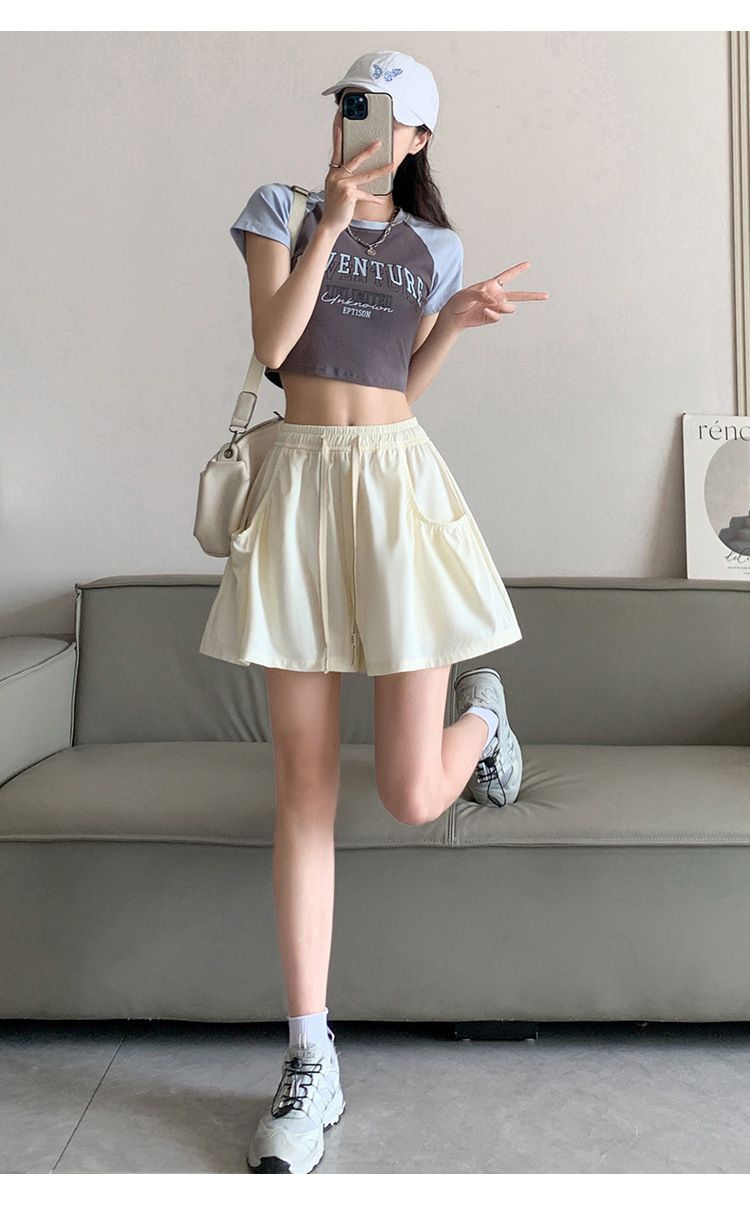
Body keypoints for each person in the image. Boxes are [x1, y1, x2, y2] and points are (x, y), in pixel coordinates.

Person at [199, 49, 549, 1174]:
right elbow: (274, 345)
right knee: (302, 788)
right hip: (299, 491)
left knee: (406, 791)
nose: (356, 120)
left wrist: (457, 321)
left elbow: (398, 383)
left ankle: (483, 719)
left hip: (397, 490)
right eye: (349, 103)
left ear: (418, 137)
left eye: (381, 111)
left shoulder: (436, 249)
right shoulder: (281, 210)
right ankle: (311, 1057)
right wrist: (334, 224)